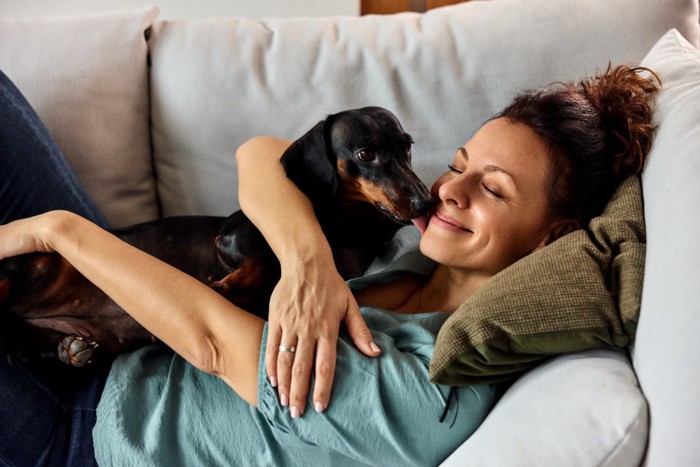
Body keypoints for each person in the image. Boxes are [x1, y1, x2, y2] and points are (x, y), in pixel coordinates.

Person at [0, 64, 658, 466]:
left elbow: (209, 341)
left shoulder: (430, 390)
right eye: (459, 164)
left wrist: (61, 233)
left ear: (553, 239)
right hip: (120, 331)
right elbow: (263, 156)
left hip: (90, 433)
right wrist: (306, 258)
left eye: (493, 189)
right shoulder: (400, 259)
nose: (447, 191)